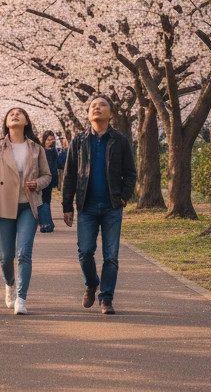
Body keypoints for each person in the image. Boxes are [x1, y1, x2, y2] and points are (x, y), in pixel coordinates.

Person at [61, 95, 137, 315]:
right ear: (88, 114)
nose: (97, 108)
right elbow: (70, 176)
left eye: (102, 105)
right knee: (85, 252)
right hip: (87, 206)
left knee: (111, 256)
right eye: (93, 106)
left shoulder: (120, 140)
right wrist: (67, 206)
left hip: (112, 206)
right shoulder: (79, 141)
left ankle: (106, 298)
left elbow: (130, 173)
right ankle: (91, 282)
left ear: (111, 114)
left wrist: (123, 197)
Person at [0, 107, 51, 315]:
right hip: (4, 204)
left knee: (24, 253)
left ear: (26, 121)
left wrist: (36, 183)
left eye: (19, 114)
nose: (14, 115)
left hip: (28, 205)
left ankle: (21, 297)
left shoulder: (36, 148)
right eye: (11, 114)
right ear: (5, 121)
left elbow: (47, 176)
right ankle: (9, 283)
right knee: (6, 256)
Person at [38, 130, 59, 233]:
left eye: (52, 139)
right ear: (44, 140)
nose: (51, 141)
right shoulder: (41, 151)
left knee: (46, 201)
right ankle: (46, 223)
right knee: (43, 201)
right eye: (49, 139)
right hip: (43, 178)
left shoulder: (53, 151)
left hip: (51, 178)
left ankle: (47, 223)